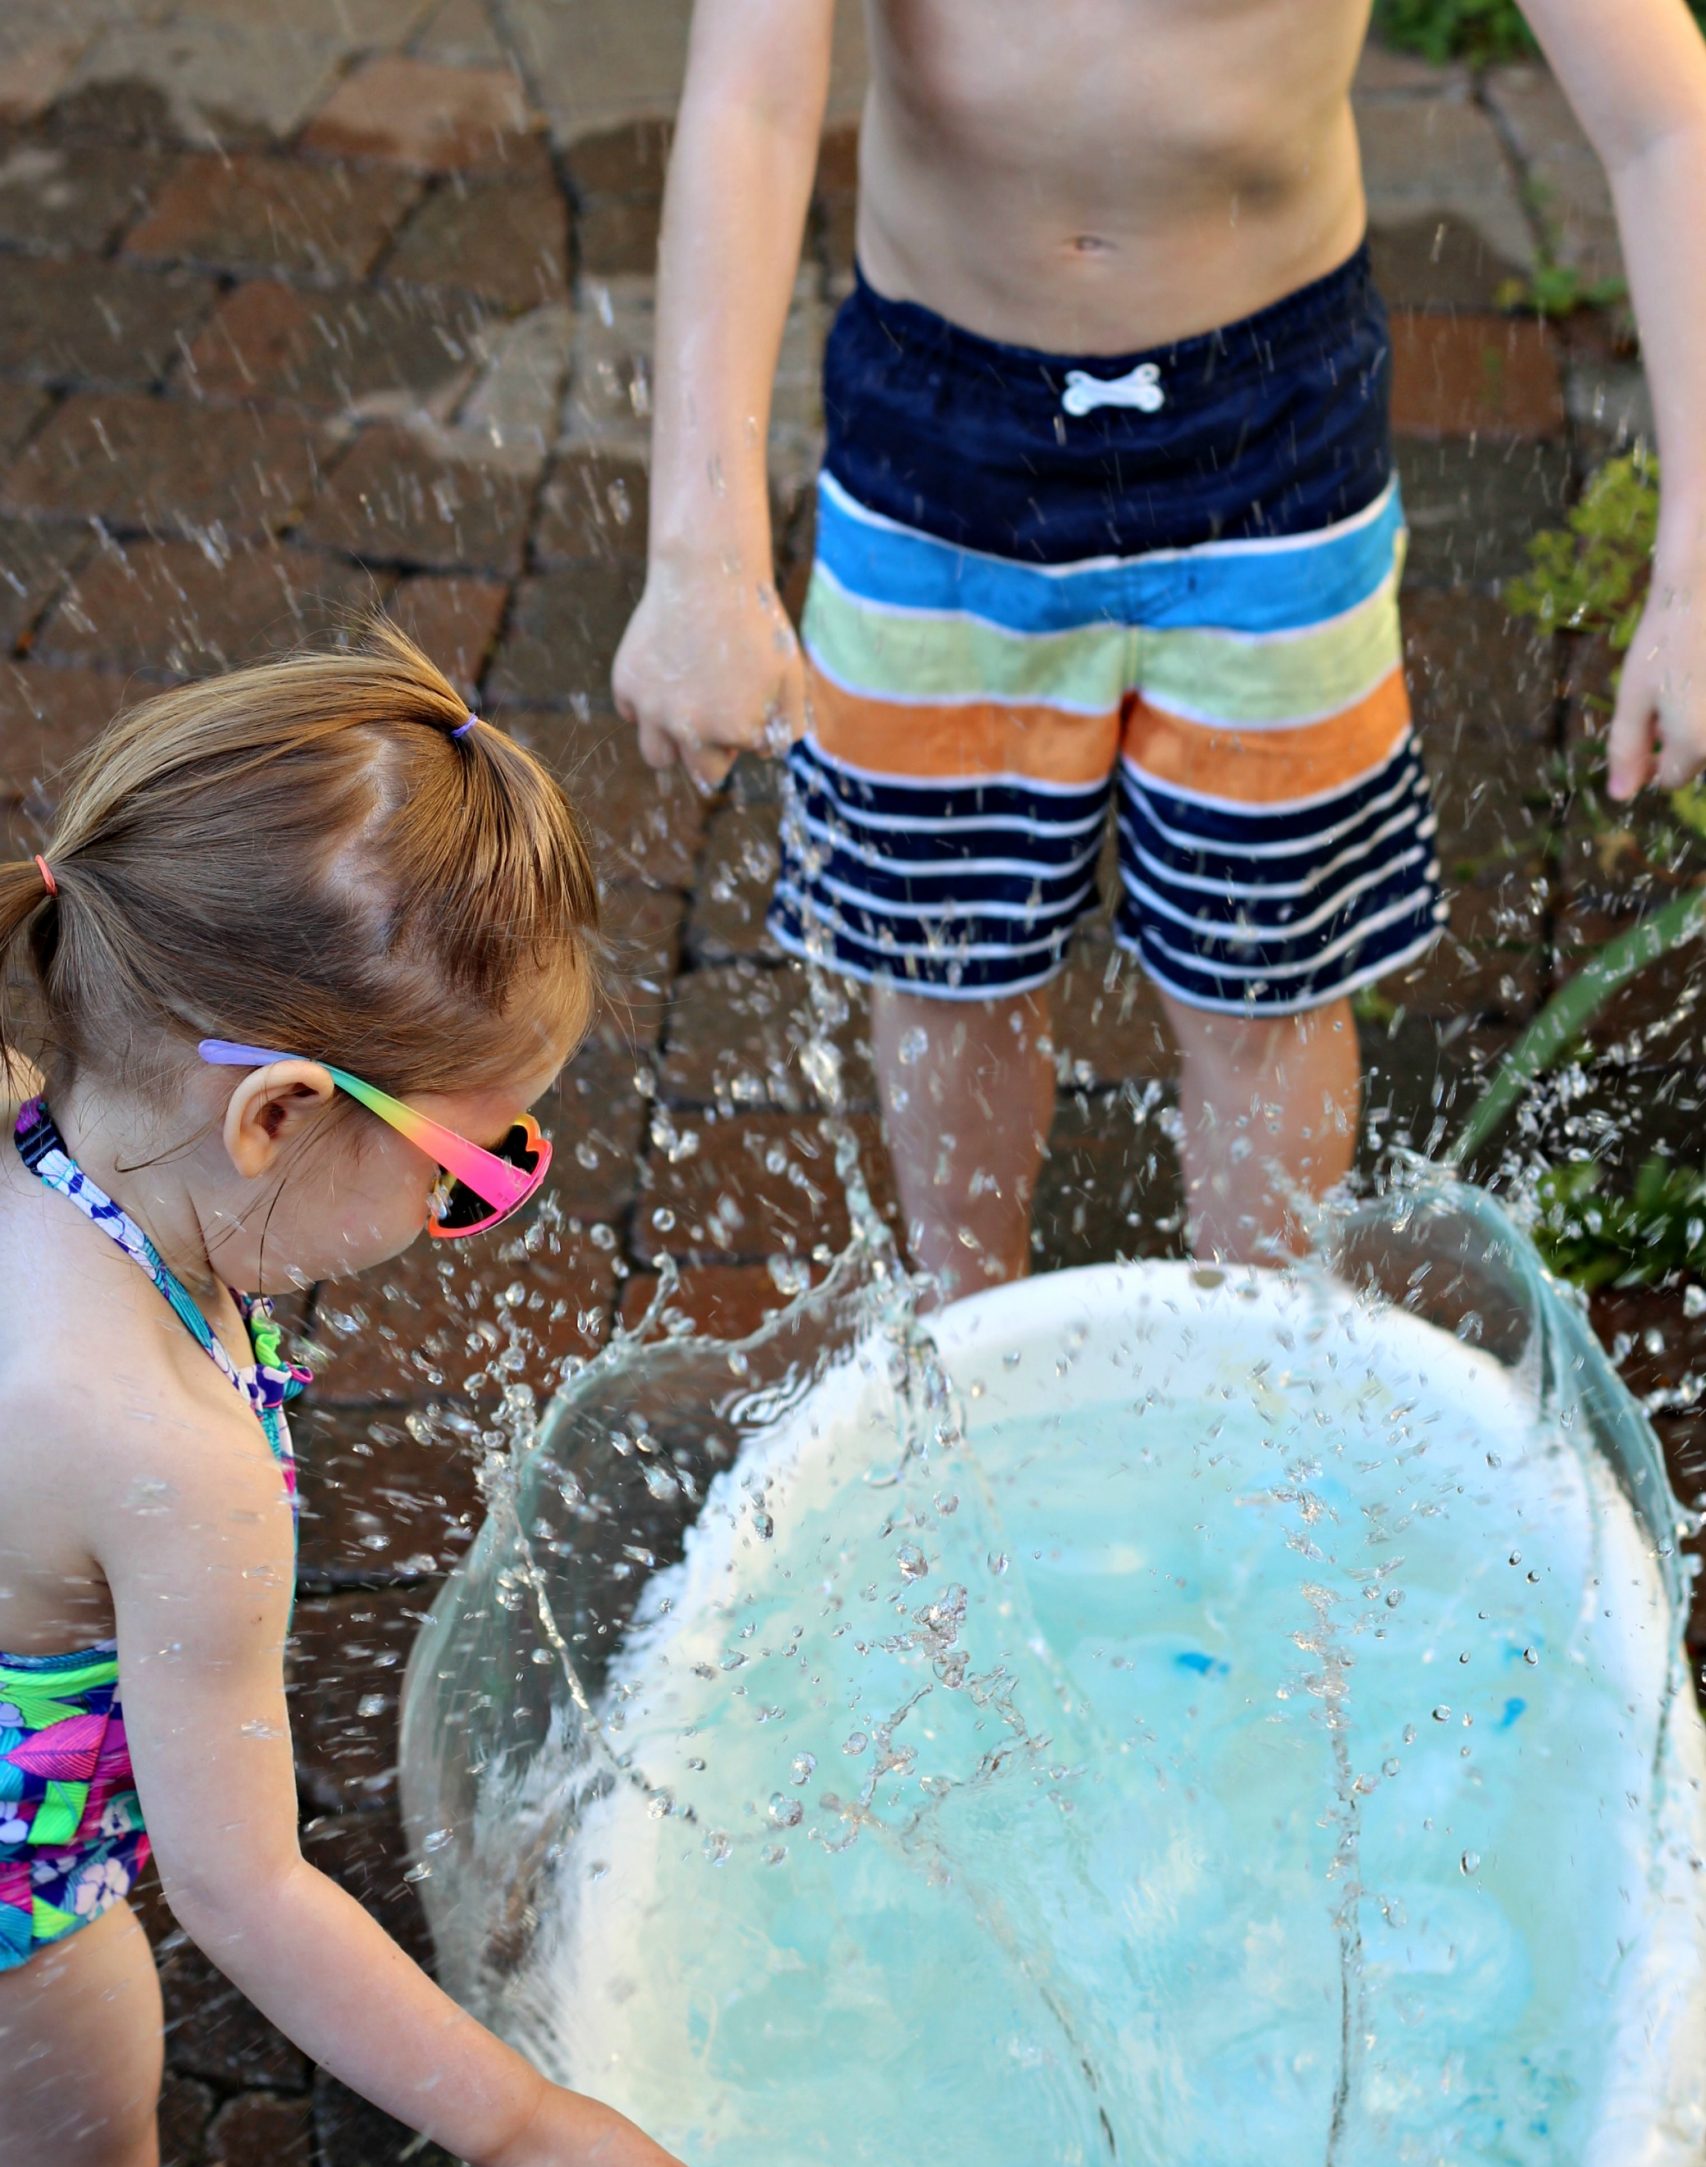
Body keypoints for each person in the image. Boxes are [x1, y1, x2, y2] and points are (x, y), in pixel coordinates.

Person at [614, 0, 1706, 1302]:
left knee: (1268, 975)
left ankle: (1260, 1369)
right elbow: (749, 99)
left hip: (1269, 444)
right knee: (944, 954)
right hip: (939, 444)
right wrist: (700, 549)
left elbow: (1663, 120)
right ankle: (970, 1347)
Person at [0, 628, 715, 2167]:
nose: (471, 1215)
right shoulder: (176, 1457)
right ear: (279, 1119)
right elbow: (245, 1889)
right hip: (11, 1908)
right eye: (476, 1167)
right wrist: (527, 2128)